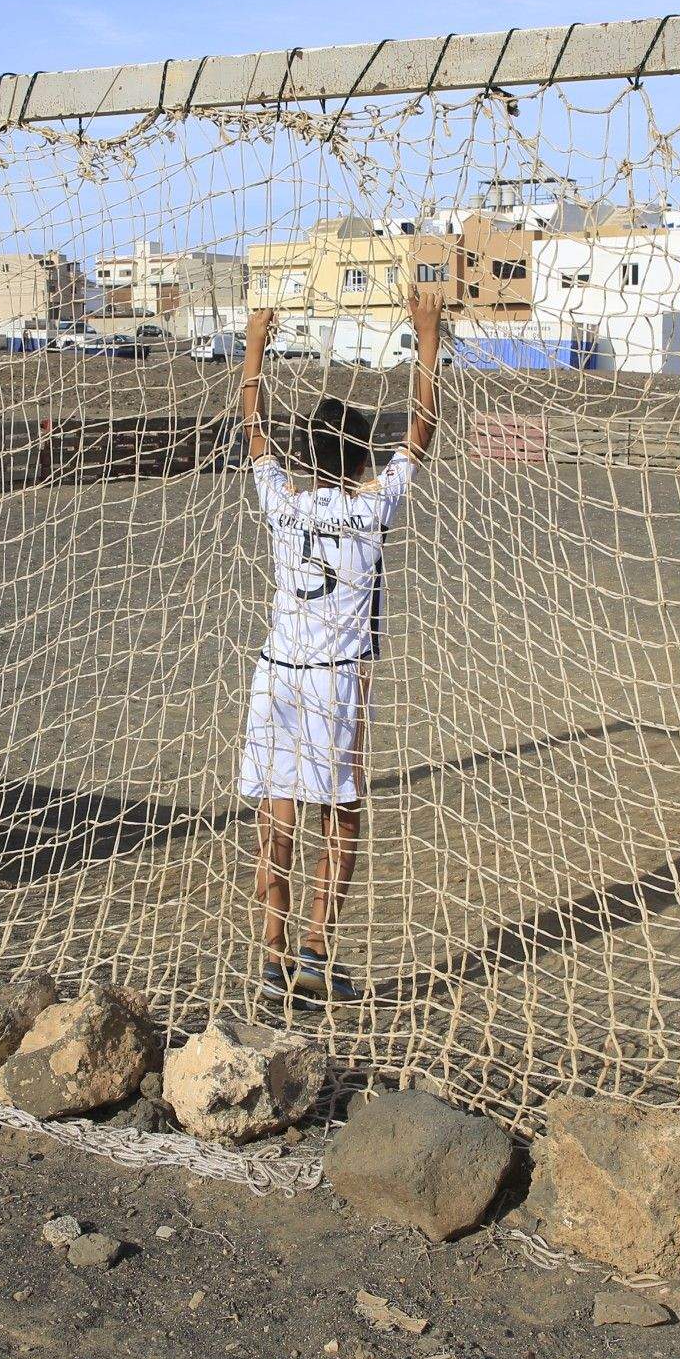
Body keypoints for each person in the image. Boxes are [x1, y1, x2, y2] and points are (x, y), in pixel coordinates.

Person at [235, 289, 443, 1002]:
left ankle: (272, 955)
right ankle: (317, 951)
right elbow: (422, 424)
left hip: (276, 675)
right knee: (342, 815)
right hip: (335, 680)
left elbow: (253, 428)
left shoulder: (282, 503)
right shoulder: (372, 506)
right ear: (361, 457)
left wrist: (255, 344)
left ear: (306, 453)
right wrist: (426, 335)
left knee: (278, 813)